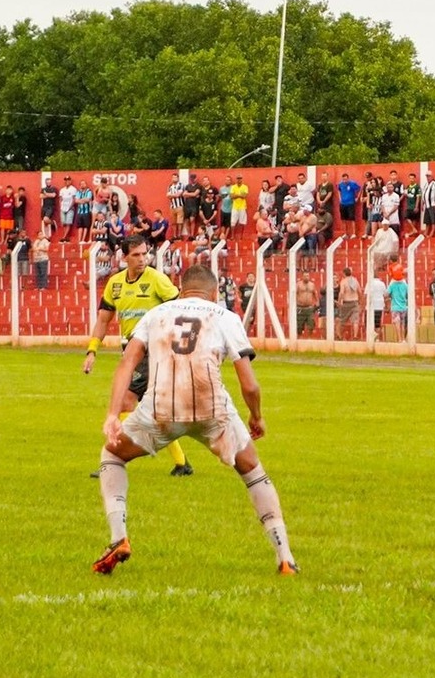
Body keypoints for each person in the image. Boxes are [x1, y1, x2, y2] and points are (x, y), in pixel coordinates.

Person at [92, 264, 299, 576]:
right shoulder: (224, 316)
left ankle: (118, 537)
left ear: (180, 286)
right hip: (212, 408)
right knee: (253, 471)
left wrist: (112, 414)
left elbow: (127, 362)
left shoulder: (157, 314)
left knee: (112, 455)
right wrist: (257, 417)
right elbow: (250, 384)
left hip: (161, 408)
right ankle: (285, 557)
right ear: (213, 292)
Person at [84, 235, 195, 478]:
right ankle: (182, 463)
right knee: (156, 412)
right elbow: (103, 319)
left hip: (153, 351)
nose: (143, 259)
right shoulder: (115, 284)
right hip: (131, 351)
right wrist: (92, 350)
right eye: (136, 255)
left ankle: (112, 461)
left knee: (124, 402)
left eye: (145, 254)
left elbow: (181, 309)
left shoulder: (157, 279)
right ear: (124, 257)